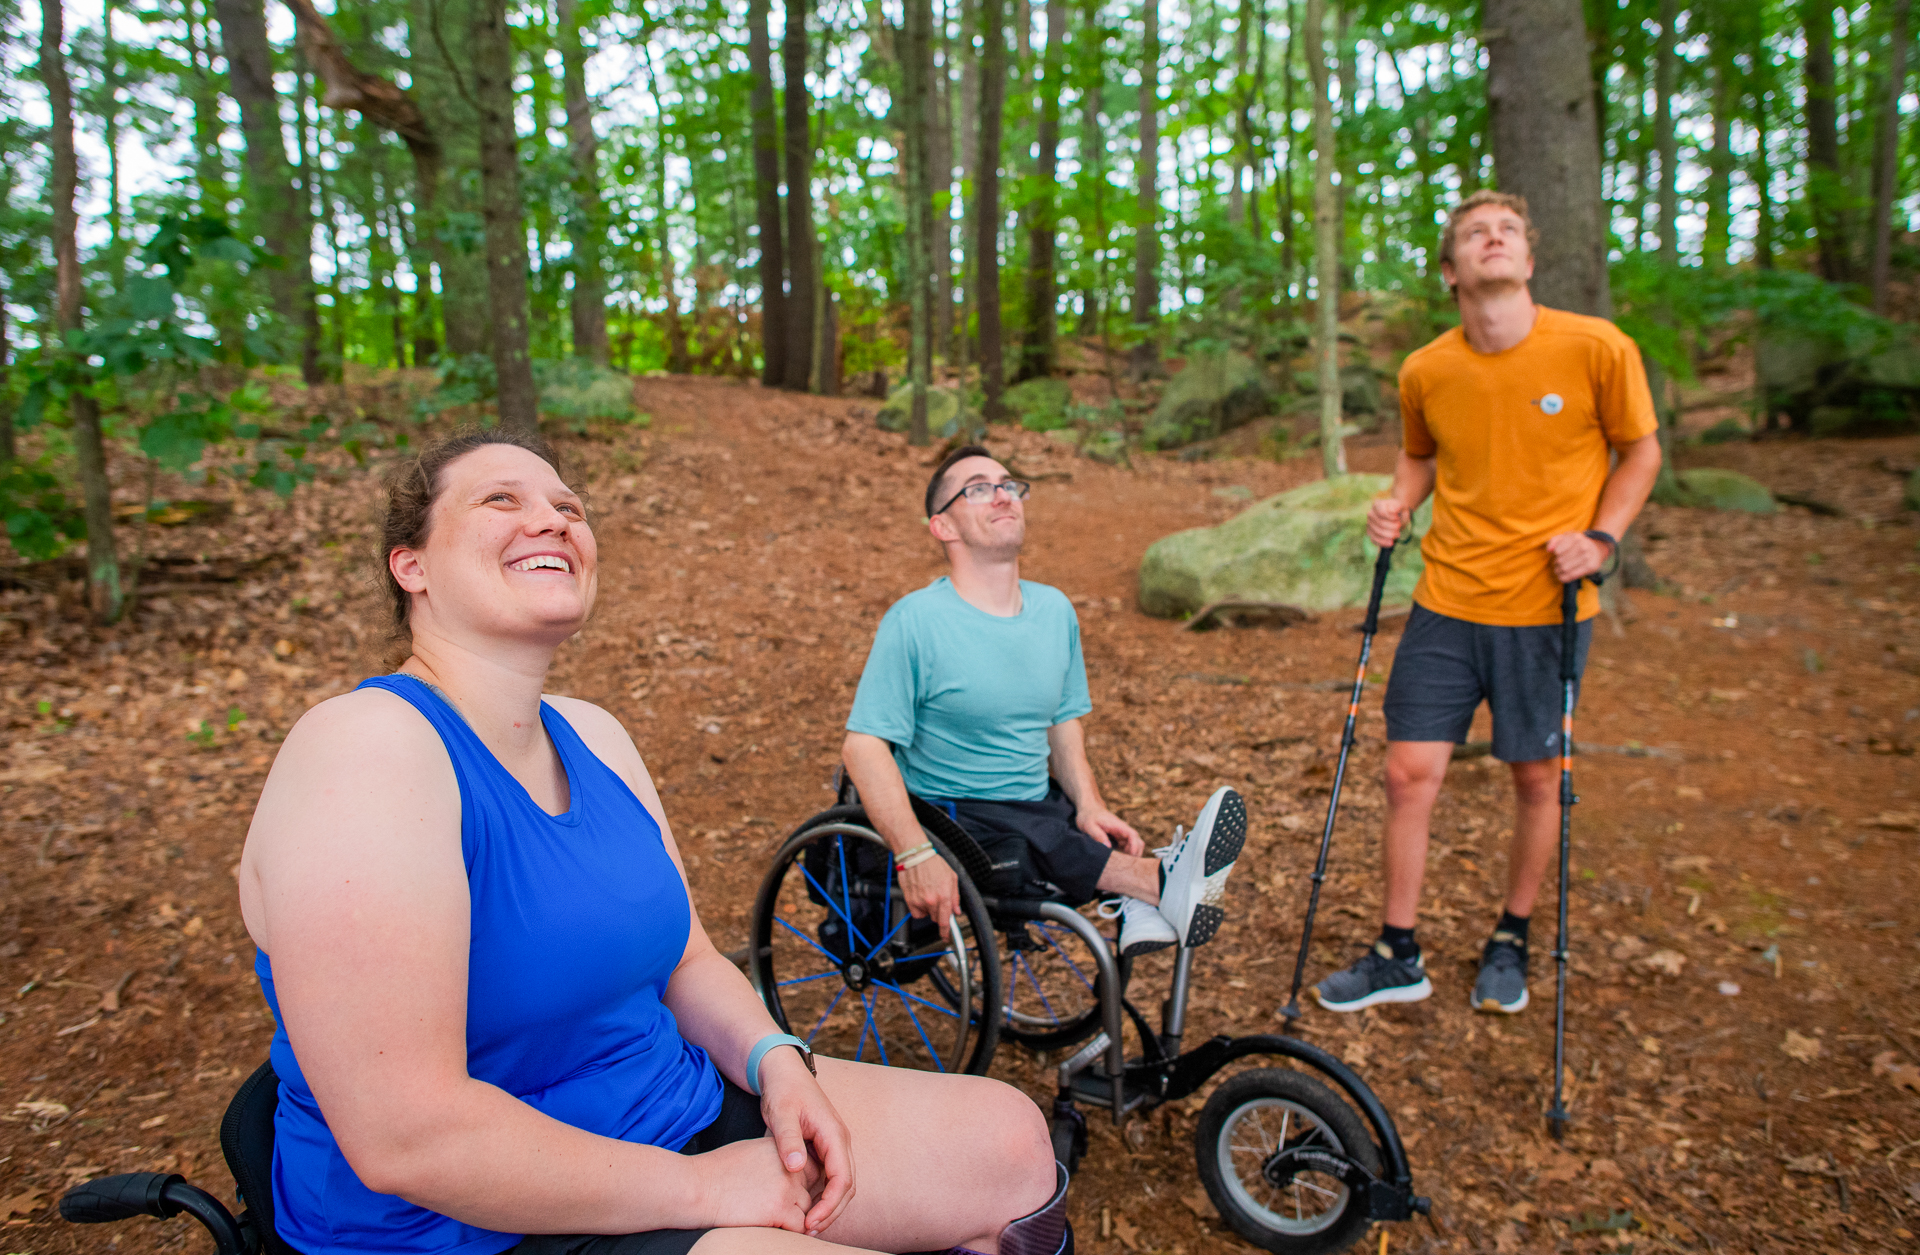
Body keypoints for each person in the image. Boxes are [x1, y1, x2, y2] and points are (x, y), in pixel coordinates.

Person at [237, 430, 1064, 1255]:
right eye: (502, 501)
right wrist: (709, 1190)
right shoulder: (364, 749)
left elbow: (690, 962)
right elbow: (406, 1139)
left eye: (569, 507)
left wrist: (778, 1060)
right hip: (472, 1222)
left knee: (1012, 1145)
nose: (553, 520)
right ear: (409, 565)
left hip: (668, 1109)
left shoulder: (595, 737)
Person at [1311, 190, 1662, 1016]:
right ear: (1451, 270)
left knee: (1537, 780)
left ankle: (1512, 933)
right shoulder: (1427, 369)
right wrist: (1395, 503)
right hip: (1448, 597)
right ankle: (1399, 951)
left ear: (1529, 260)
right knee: (1407, 773)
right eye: (1475, 233)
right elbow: (1418, 455)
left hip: (1548, 604)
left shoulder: (1597, 348)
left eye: (1508, 230)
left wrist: (1603, 540)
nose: (1494, 238)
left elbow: (1641, 452)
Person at [841, 445, 1246, 958]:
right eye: (979, 488)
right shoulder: (916, 621)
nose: (1003, 496)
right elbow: (863, 748)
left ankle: (1144, 896)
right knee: (1030, 835)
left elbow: (1063, 720)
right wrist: (914, 853)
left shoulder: (1054, 611)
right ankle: (1161, 881)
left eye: (1009, 485)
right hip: (951, 811)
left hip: (1032, 801)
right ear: (944, 527)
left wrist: (1089, 804)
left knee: (1059, 828)